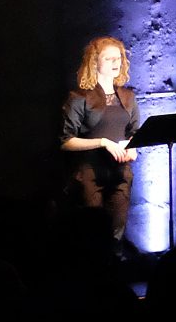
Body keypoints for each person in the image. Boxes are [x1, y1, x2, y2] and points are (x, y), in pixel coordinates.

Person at [59, 36, 141, 252]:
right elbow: (66, 141)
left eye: (119, 58)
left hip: (120, 172)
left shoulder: (128, 96)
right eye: (109, 58)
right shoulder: (79, 97)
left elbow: (135, 134)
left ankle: (113, 274)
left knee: (117, 232)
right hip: (90, 173)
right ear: (95, 62)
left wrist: (132, 149)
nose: (116, 63)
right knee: (91, 234)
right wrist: (103, 142)